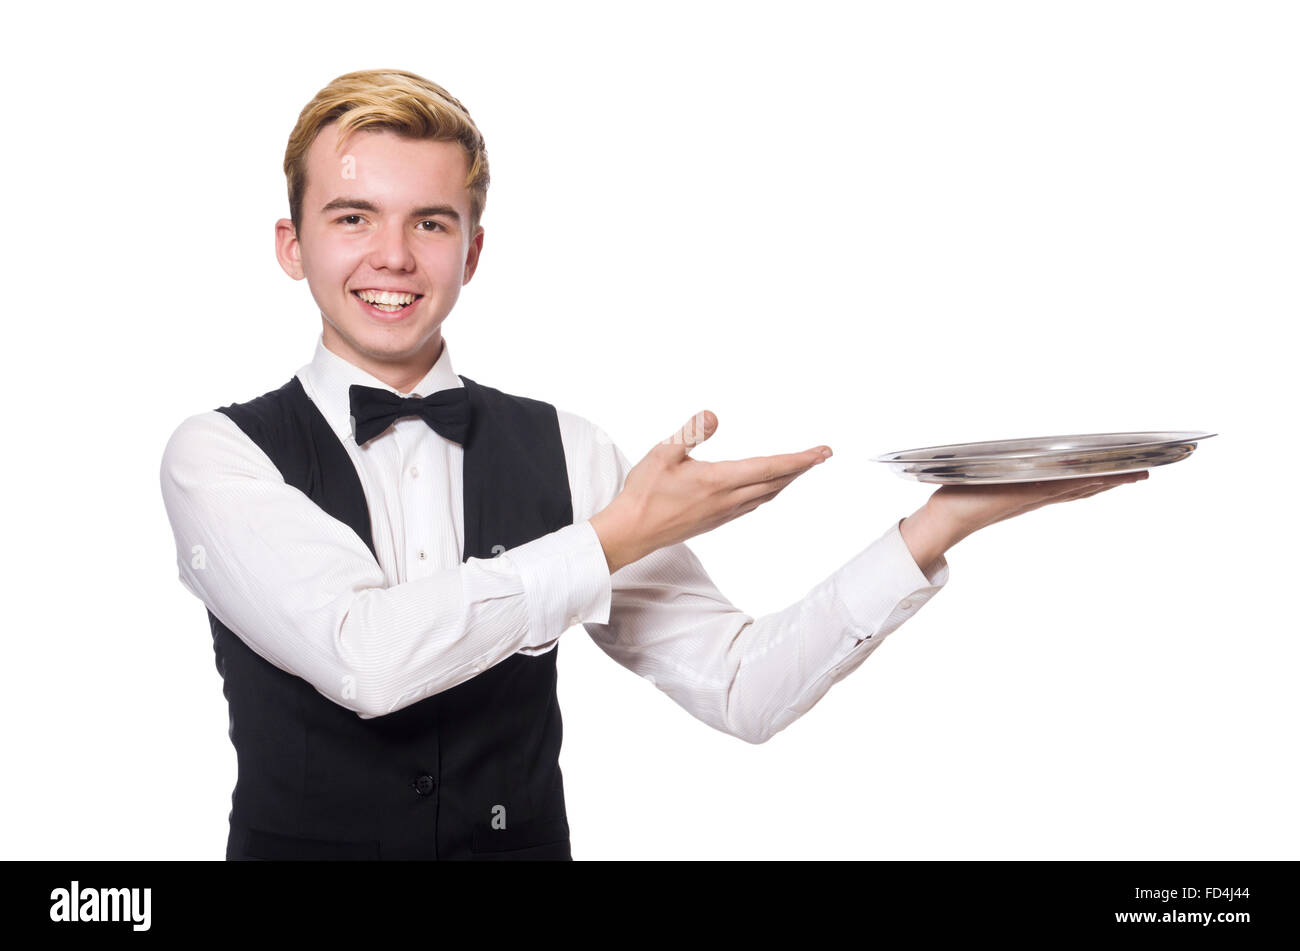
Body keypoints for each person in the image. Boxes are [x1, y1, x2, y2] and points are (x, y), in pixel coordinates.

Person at [158, 69, 1148, 861]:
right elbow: (364, 659)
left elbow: (738, 688)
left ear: (473, 249)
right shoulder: (221, 456)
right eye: (352, 217)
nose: (394, 258)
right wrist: (619, 534)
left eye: (430, 222)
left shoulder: (572, 450)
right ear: (291, 245)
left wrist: (941, 522)